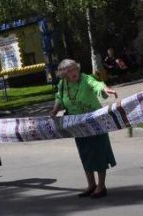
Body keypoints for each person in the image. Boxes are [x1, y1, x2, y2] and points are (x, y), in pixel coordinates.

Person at [49, 59, 119, 199]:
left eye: (75, 69)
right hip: (77, 125)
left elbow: (97, 84)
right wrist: (54, 111)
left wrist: (105, 89)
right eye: (69, 71)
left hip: (94, 121)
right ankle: (91, 185)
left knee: (99, 151)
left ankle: (101, 186)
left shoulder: (86, 79)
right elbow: (59, 98)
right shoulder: (63, 84)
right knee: (85, 153)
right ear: (63, 74)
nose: (73, 72)